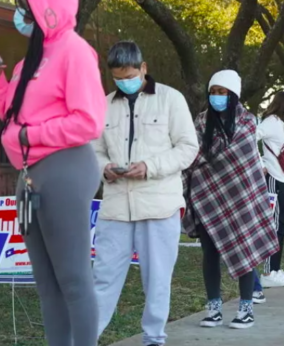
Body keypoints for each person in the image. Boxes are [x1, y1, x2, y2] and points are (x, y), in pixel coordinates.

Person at [0, 0, 106, 344]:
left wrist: (29, 136)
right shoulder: (28, 61)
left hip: (65, 169)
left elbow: (88, 121)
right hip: (30, 174)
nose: (20, 13)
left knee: (74, 280)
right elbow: (12, 112)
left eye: (25, 5)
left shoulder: (74, 51)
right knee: (46, 283)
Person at [91, 41, 199, 346]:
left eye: (129, 75)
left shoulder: (170, 99)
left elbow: (188, 148)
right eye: (117, 78)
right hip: (115, 206)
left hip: (159, 205)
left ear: (143, 69)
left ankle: (153, 338)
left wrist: (149, 166)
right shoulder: (104, 105)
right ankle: (85, 337)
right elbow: (93, 150)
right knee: (103, 278)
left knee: (157, 280)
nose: (124, 82)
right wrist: (105, 167)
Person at [183, 70, 279, 329]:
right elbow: (191, 153)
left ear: (233, 94)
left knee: (245, 248)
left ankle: (246, 307)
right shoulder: (201, 121)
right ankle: (213, 307)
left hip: (241, 198)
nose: (217, 97)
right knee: (209, 254)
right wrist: (206, 164)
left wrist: (208, 162)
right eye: (213, 92)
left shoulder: (247, 121)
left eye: (222, 92)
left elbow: (239, 157)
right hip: (207, 197)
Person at [256, 91, 284, 288]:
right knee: (273, 226)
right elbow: (250, 138)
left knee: (282, 226)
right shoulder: (271, 121)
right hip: (275, 179)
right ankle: (268, 272)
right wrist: (260, 162)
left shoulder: (283, 124)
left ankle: (276, 268)